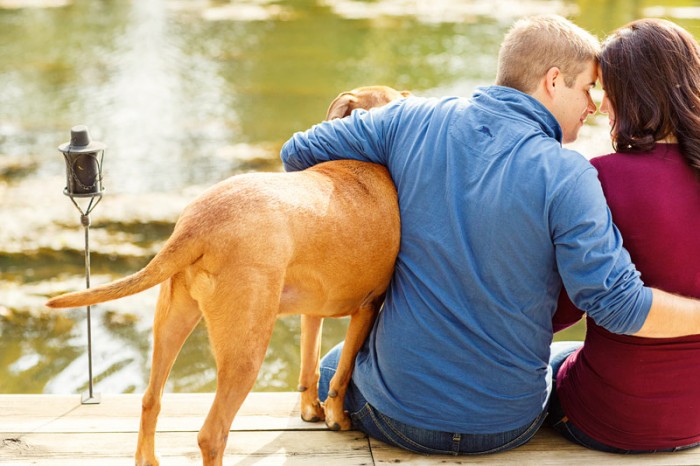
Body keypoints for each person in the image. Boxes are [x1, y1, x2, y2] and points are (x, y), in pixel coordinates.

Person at [280, 15, 700, 455]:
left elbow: (298, 153)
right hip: (509, 424)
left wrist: (385, 216)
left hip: (397, 416)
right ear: (553, 81)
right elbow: (591, 305)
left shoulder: (409, 119)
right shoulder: (570, 174)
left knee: (335, 364)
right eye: (587, 88)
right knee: (554, 359)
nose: (594, 105)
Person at [549, 18, 700, 453]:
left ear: (631, 93)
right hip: (695, 421)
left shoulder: (597, 178)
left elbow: (560, 312)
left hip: (609, 418)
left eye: (606, 89)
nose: (601, 105)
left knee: (551, 362)